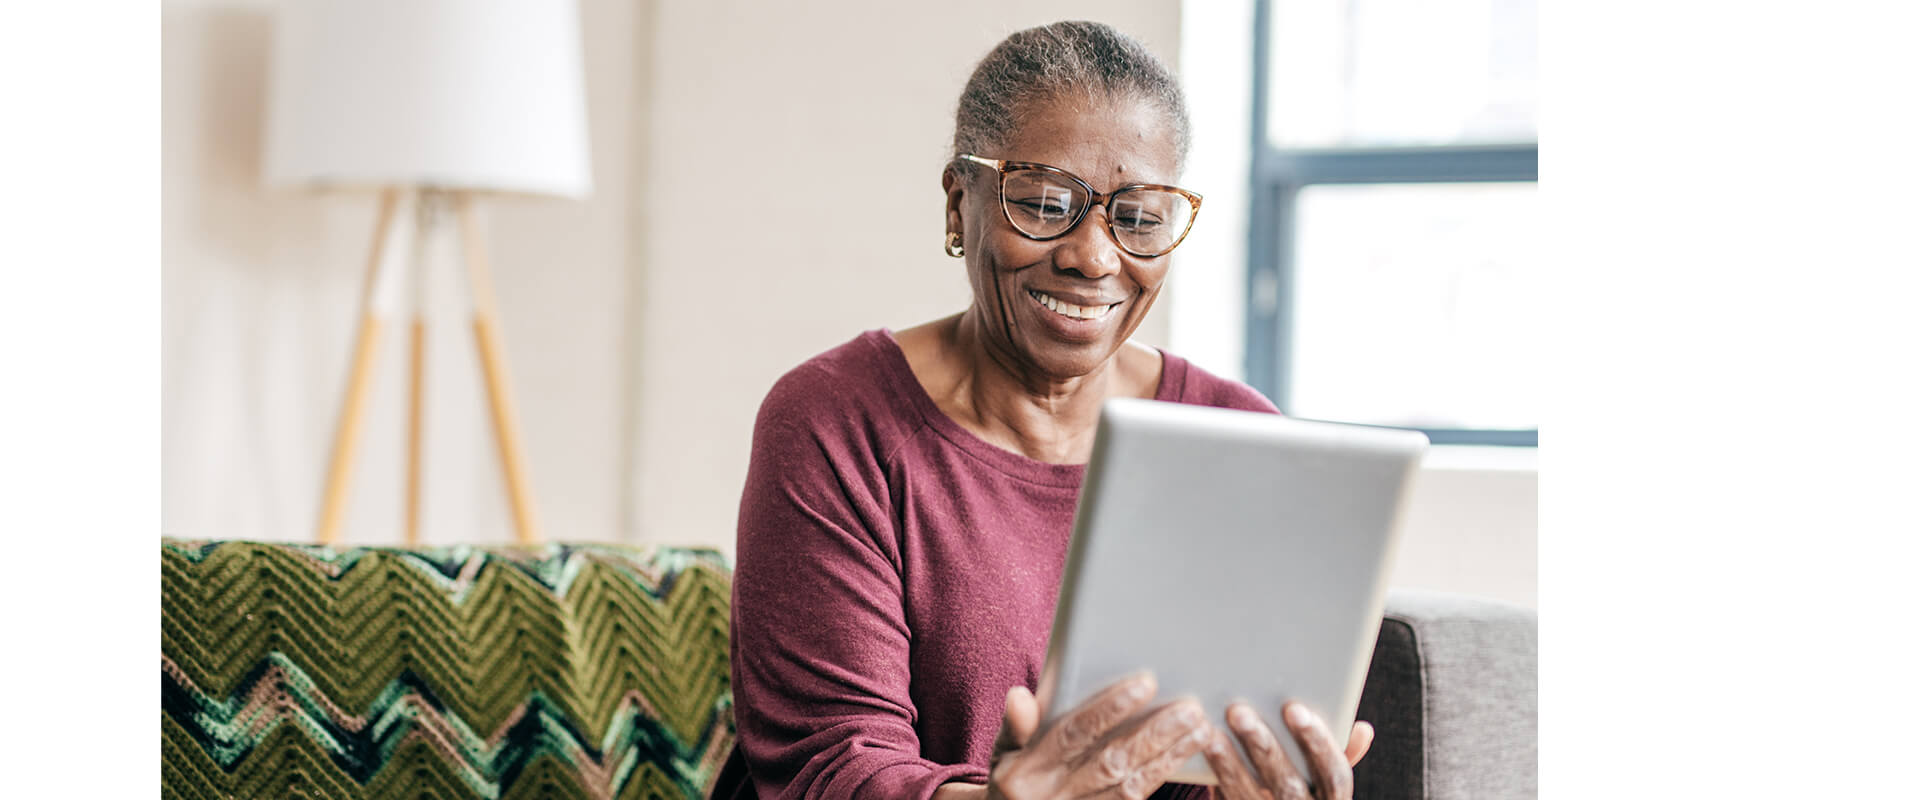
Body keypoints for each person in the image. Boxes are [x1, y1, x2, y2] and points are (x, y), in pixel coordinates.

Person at [726, 21, 1373, 800]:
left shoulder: (1240, 440)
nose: (1093, 257)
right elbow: (828, 767)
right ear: (959, 203)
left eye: (1138, 218)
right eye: (1043, 202)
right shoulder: (835, 421)